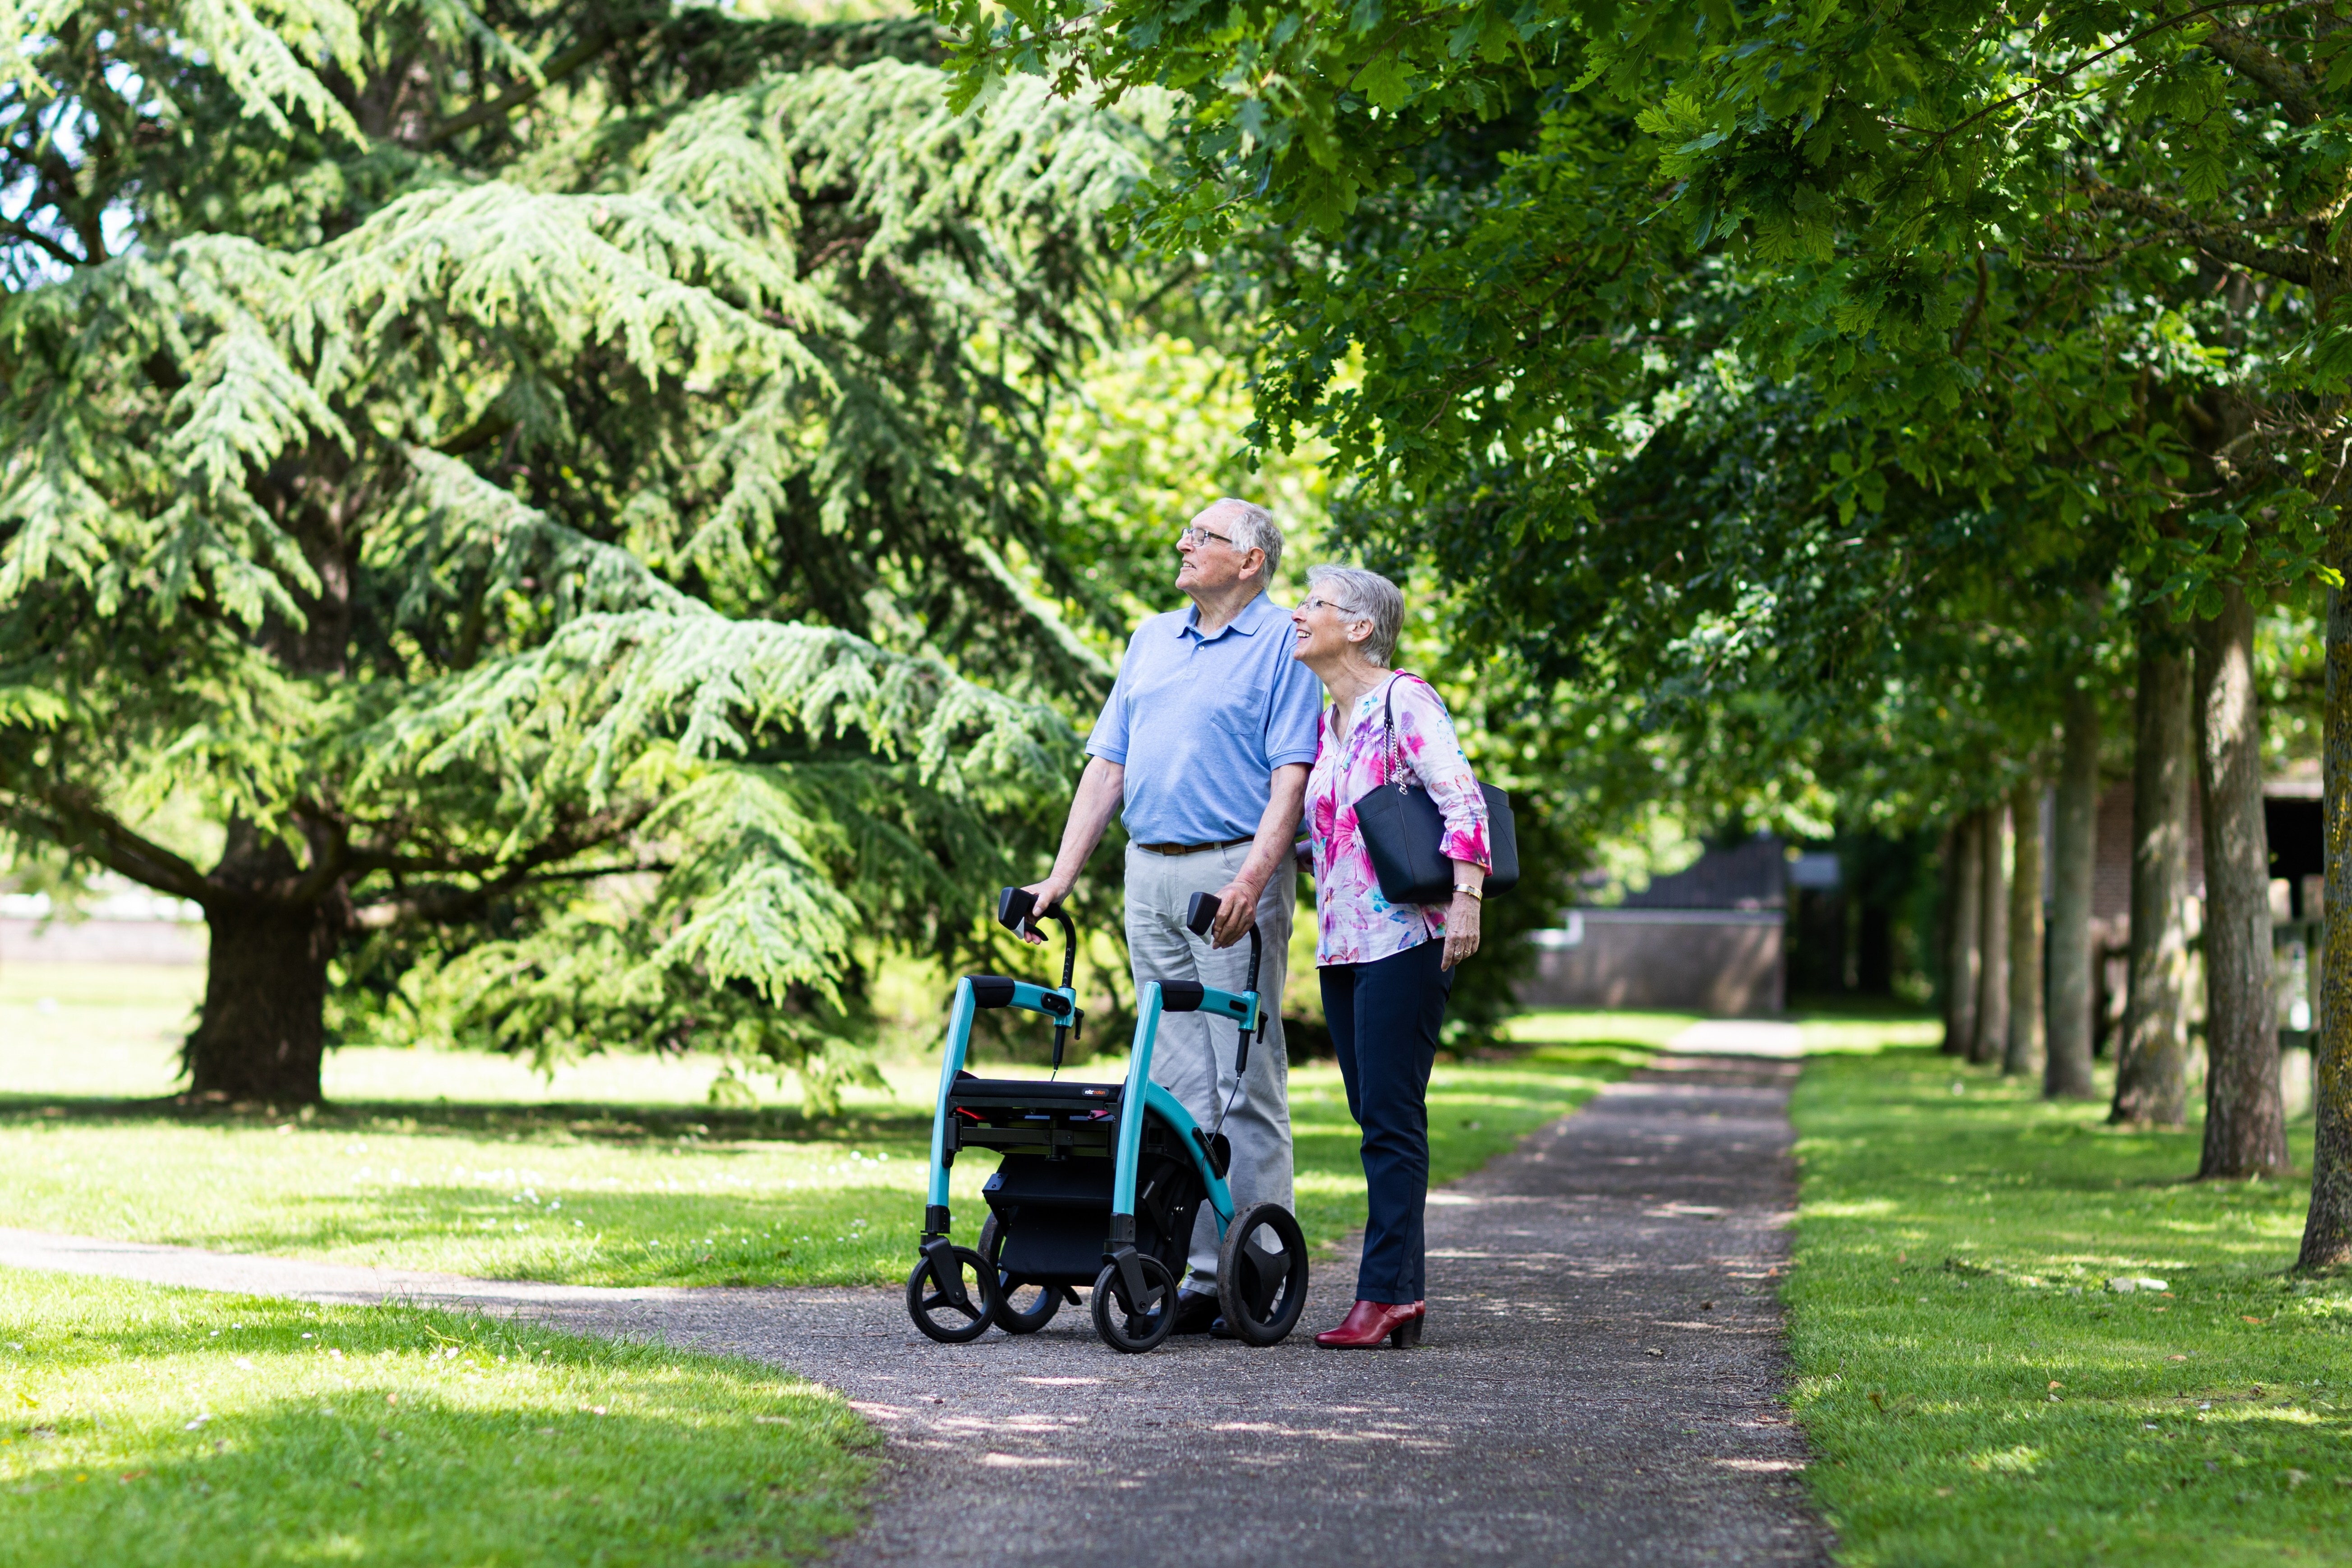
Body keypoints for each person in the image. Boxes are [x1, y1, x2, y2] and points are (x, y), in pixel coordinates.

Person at [1020, 498, 1322, 1333]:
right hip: (1148, 869)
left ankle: (1254, 1272)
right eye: (1187, 532)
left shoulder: (1283, 645)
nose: (1184, 544)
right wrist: (1058, 878)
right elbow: (1107, 767)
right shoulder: (1151, 637)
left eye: (1206, 536)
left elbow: (1289, 780)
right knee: (1168, 1080)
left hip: (1230, 871)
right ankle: (1191, 1274)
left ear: (1252, 561)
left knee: (1241, 1076)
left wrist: (1253, 882)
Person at [1290, 565, 1490, 1349]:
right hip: (1342, 946)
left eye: (1313, 604)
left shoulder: (1403, 698)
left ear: (1360, 626)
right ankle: (1400, 1294)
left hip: (1407, 939)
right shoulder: (1326, 722)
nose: (1298, 615)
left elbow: (1459, 797)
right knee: (1374, 1117)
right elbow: (1336, 840)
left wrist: (1466, 900)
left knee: (1390, 1120)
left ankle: (1382, 1296)